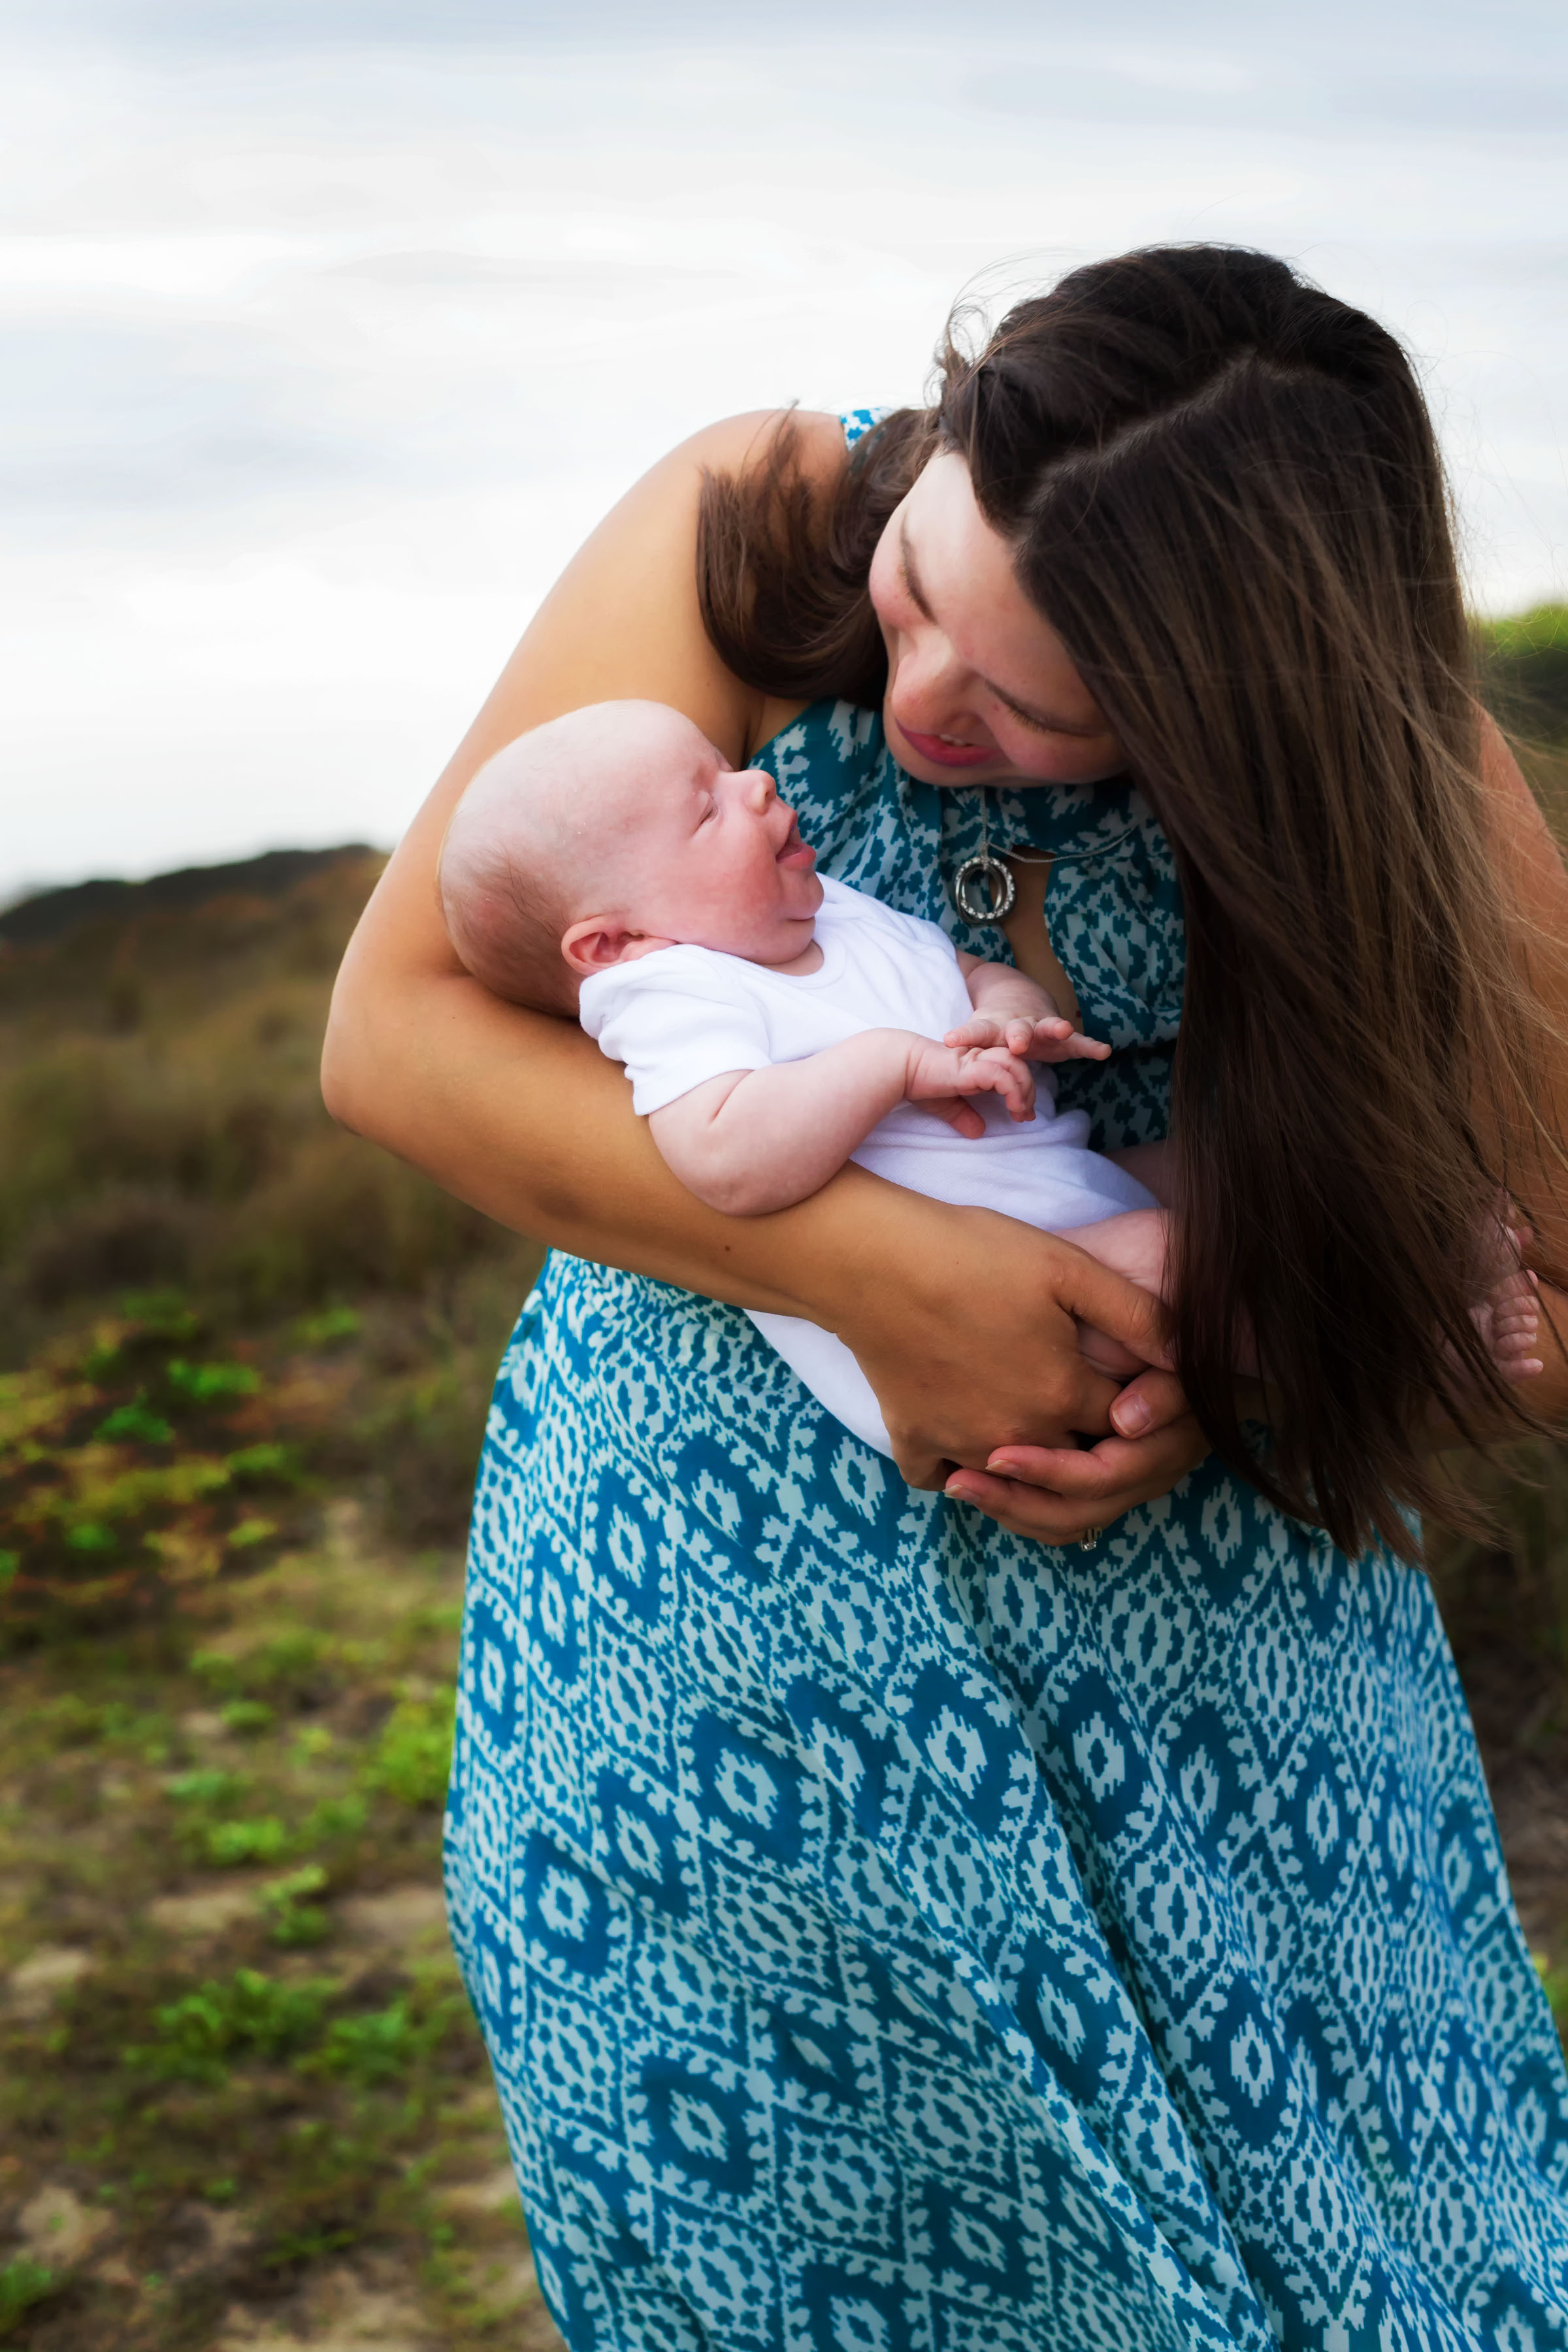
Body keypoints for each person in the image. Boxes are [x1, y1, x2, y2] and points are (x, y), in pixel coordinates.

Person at [323, 246, 1568, 2349]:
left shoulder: (1400, 771)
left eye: (1024, 711)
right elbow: (393, 1037)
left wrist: (1253, 1351)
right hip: (723, 1724)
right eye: (918, 597)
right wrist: (894, 1277)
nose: (915, 714)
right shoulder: (767, 508)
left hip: (1241, 1763)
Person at [434, 698, 1542, 1452]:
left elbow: (954, 966)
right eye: (706, 807)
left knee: (1236, 1165)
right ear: (610, 944)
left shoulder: (812, 911)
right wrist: (891, 1065)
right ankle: (1414, 1361)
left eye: (734, 770)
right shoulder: (670, 996)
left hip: (1057, 1185)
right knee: (1179, 1262)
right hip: (994, 1280)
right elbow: (723, 1154)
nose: (760, 788)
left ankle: (1442, 1245)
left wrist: (1011, 1014)